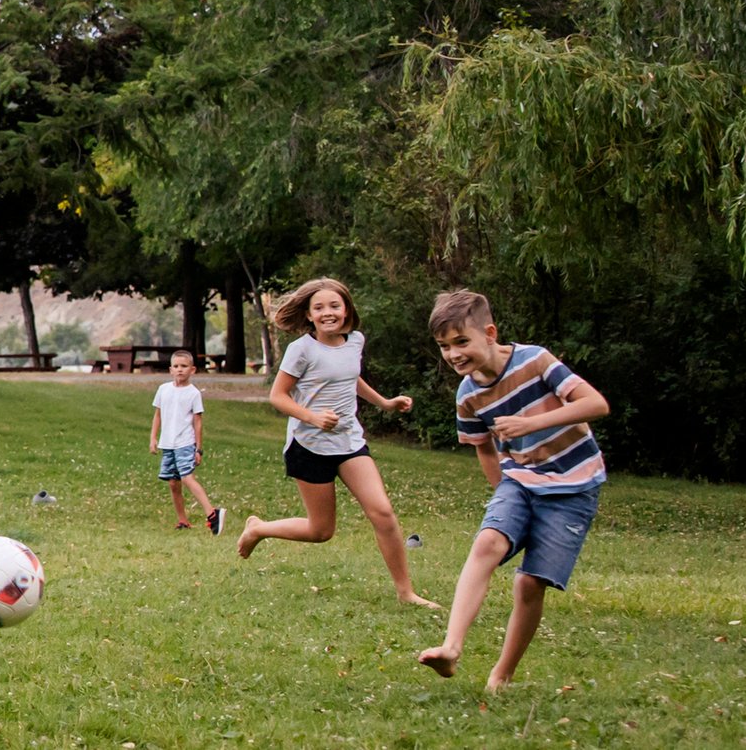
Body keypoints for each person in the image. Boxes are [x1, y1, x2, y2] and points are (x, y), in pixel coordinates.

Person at [415, 290, 610, 690]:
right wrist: (501, 491)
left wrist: (531, 424)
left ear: (489, 333)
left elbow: (597, 404)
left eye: (461, 342)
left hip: (574, 485)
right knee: (487, 543)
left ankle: (501, 675)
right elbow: (484, 448)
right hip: (519, 481)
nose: (453, 354)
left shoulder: (535, 360)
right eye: (444, 347)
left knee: (528, 583)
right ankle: (451, 648)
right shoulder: (468, 395)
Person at [236, 277, 439, 609]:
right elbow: (278, 396)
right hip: (309, 445)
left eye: (334, 306)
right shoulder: (301, 349)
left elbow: (350, 376)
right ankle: (259, 529)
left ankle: (406, 593)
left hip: (349, 442)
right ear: (309, 315)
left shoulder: (354, 341)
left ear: (347, 310)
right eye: (319, 308)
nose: (328, 312)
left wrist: (385, 403)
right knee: (321, 531)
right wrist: (311, 416)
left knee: (383, 513)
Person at [149, 349, 224, 533]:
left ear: (193, 370)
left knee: (187, 478)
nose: (180, 370)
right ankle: (183, 520)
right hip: (168, 443)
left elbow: (197, 422)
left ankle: (212, 514)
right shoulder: (163, 390)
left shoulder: (193, 393)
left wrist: (198, 449)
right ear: (170, 369)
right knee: (174, 483)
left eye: (184, 366)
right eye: (176, 366)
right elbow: (157, 415)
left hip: (185, 443)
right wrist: (153, 437)